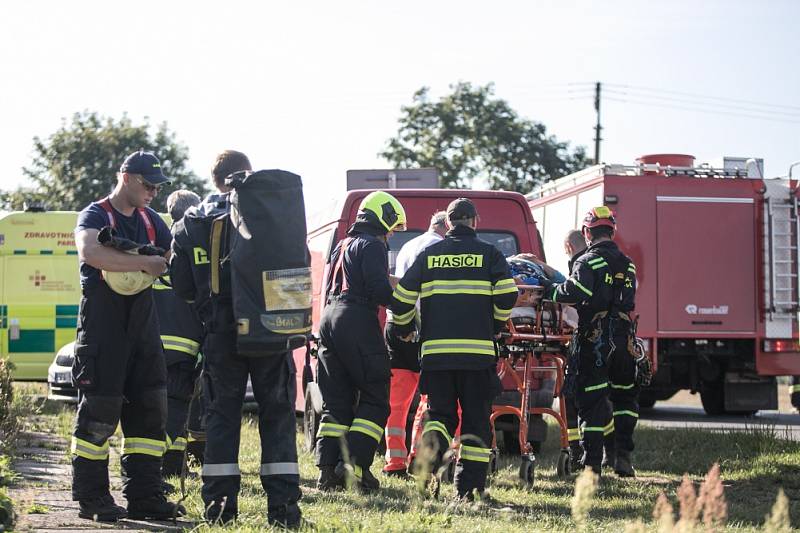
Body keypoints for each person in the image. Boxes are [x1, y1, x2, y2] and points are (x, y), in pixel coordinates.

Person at [170, 150, 302, 527]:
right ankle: (284, 513)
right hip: (269, 331)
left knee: (221, 419)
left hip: (221, 334)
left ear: (214, 180)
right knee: (277, 417)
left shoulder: (192, 222)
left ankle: (220, 511)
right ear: (249, 173)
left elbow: (181, 286)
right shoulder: (271, 214)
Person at [71, 150, 185, 521]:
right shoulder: (95, 214)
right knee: (101, 410)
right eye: (148, 184)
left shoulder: (153, 221)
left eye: (158, 186)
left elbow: (169, 257)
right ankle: (92, 499)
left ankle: (145, 495)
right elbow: (91, 252)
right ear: (127, 177)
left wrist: (152, 261)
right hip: (103, 323)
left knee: (151, 407)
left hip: (143, 321)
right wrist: (142, 261)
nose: (153, 191)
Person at [390, 198, 518, 500]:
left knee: (439, 417)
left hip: (437, 357)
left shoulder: (429, 255)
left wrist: (407, 328)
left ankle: (426, 478)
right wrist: (497, 325)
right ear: (475, 221)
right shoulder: (490, 254)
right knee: (475, 420)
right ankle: (468, 491)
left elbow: (402, 297)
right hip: (477, 356)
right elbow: (508, 295)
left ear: (448, 223)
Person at [314, 191, 407, 493]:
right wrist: (406, 309)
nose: (391, 234)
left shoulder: (344, 244)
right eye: (393, 228)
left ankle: (327, 471)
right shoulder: (373, 245)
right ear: (384, 218)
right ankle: (354, 466)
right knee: (376, 394)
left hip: (329, 318)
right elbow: (379, 290)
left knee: (336, 401)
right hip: (356, 319)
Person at [542, 207, 638, 477]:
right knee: (624, 398)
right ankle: (623, 457)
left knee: (592, 400)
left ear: (587, 232)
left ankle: (593, 464)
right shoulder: (628, 263)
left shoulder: (588, 261)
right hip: (623, 338)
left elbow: (576, 292)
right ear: (612, 231)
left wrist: (551, 291)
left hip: (595, 340)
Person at [382, 211, 447, 477]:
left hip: (395, 326)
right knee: (428, 397)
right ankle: (415, 457)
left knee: (397, 402)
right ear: (446, 227)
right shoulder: (439, 247)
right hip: (422, 328)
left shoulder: (409, 245)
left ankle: (393, 461)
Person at [156, 190, 204, 478]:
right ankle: (161, 468)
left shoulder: (157, 242)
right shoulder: (196, 243)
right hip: (184, 348)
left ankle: (164, 469)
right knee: (176, 413)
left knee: (153, 412)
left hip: (151, 345)